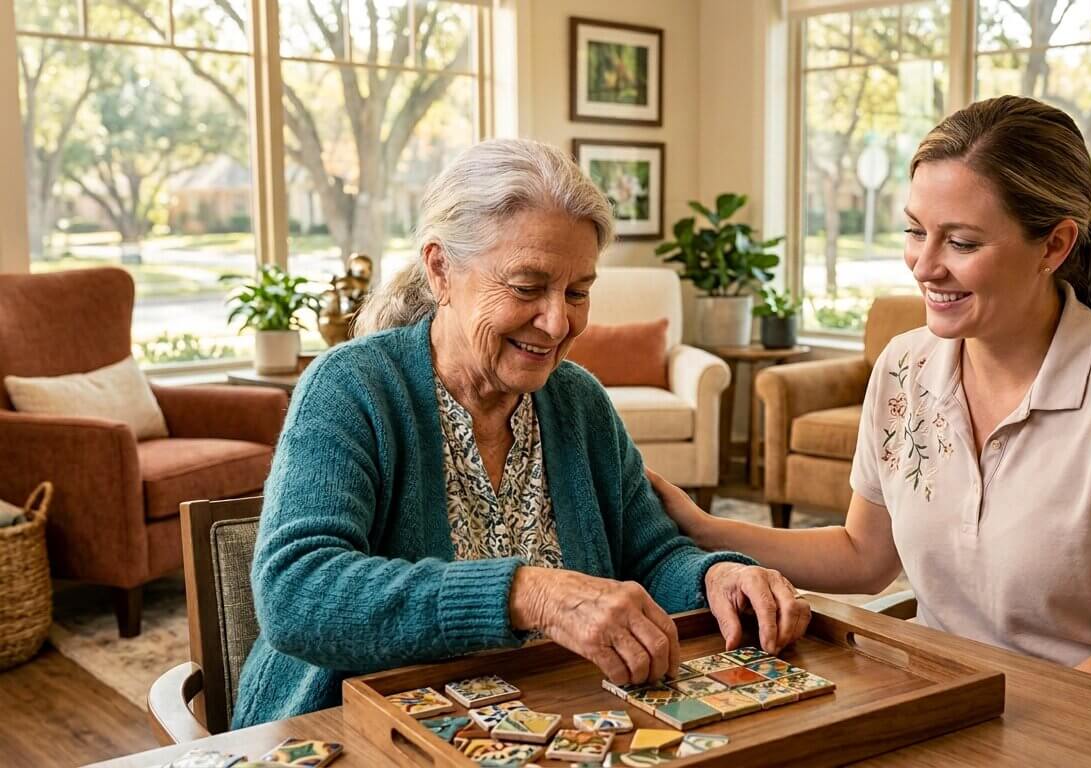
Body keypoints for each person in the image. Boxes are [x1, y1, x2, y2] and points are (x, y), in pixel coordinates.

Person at [653, 96, 1091, 697]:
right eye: (915, 231)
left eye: (962, 243)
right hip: (953, 698)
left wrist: (974, 718)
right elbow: (864, 557)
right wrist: (703, 527)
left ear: (1053, 247)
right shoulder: (904, 366)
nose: (924, 266)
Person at [234, 139, 810, 728]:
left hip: (548, 716)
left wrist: (717, 576)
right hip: (355, 726)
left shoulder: (579, 400)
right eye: (527, 287)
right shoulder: (352, 388)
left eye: (578, 292)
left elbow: (651, 553)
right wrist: (531, 595)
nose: (558, 322)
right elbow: (295, 592)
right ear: (441, 269)